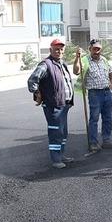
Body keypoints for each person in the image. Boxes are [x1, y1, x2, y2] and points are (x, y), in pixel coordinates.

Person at [27, 38, 75, 169]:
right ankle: (56, 160)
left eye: (61, 49)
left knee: (63, 132)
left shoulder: (61, 63)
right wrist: (37, 94)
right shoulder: (45, 64)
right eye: (56, 49)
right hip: (53, 105)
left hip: (64, 105)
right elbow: (32, 80)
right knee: (55, 132)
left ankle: (61, 155)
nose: (59, 51)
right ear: (50, 50)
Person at [73, 39, 112, 155]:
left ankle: (106, 140)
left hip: (107, 93)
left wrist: (111, 85)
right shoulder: (85, 60)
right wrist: (77, 58)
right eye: (94, 49)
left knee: (108, 118)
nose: (96, 51)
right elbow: (76, 71)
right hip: (94, 94)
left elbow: (111, 73)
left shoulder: (104, 60)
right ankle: (93, 143)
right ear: (90, 49)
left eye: (98, 49)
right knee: (94, 119)